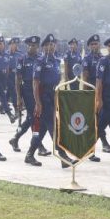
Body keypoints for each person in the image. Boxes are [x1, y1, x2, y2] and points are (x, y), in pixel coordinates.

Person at [25, 34, 75, 167]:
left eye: (52, 45)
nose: (50, 47)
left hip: (53, 95)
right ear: (43, 47)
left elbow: (60, 80)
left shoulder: (57, 60)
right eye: (47, 45)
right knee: (54, 127)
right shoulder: (40, 61)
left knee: (41, 129)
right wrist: (38, 102)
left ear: (55, 46)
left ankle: (29, 155)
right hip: (44, 96)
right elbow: (35, 83)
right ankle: (63, 157)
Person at [8, 36, 46, 154]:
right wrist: (19, 97)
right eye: (29, 45)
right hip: (28, 90)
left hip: (39, 90)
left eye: (33, 45)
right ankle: (39, 146)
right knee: (34, 117)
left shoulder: (41, 59)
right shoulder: (22, 59)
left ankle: (16, 138)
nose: (31, 47)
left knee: (32, 118)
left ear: (38, 47)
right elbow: (18, 79)